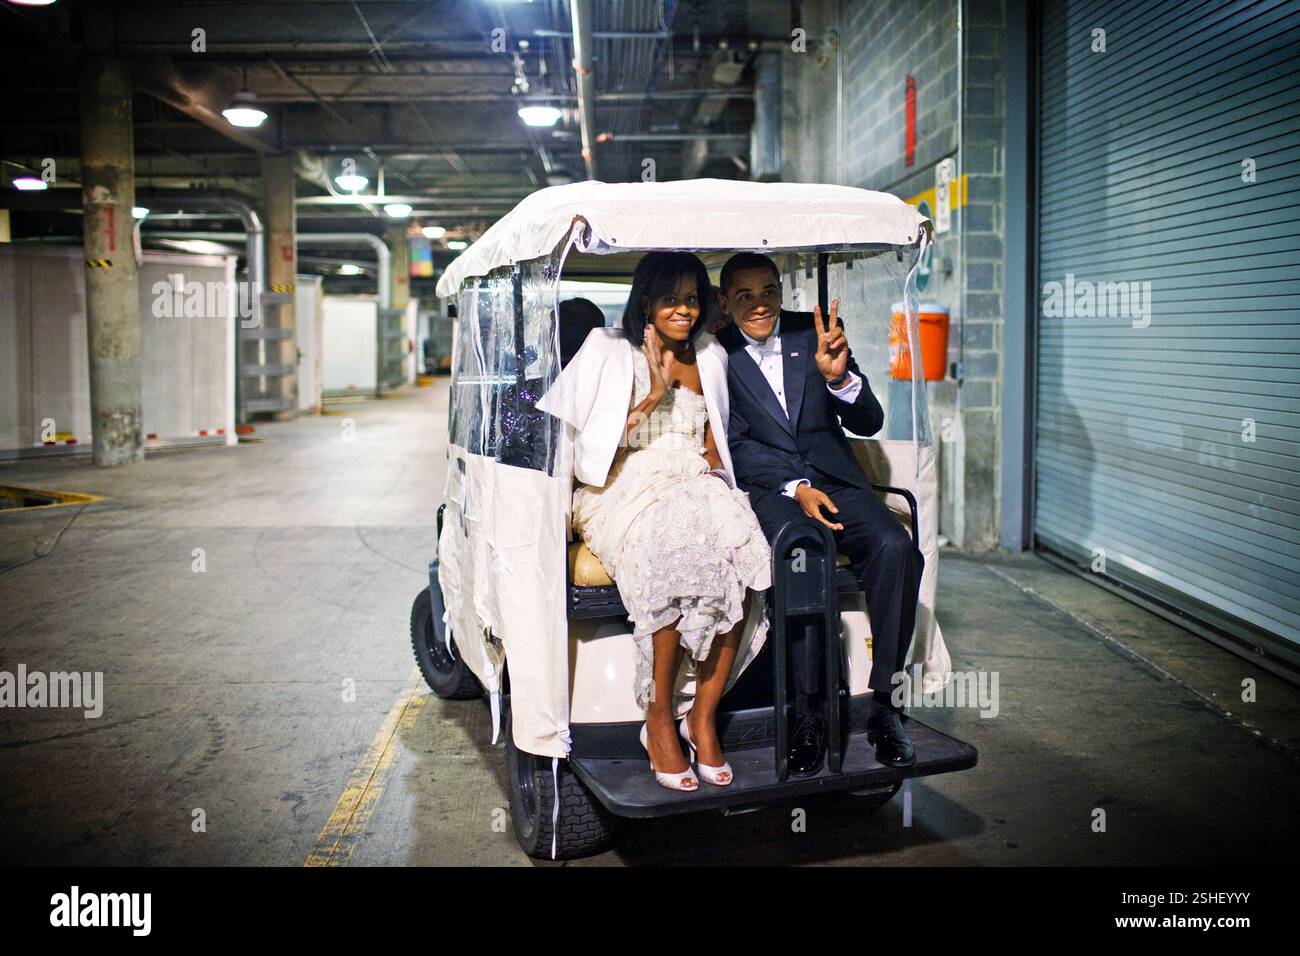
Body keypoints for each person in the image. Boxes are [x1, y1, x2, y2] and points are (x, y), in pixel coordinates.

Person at [539, 252, 772, 792]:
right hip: (619, 485)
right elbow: (577, 453)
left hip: (692, 477)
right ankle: (659, 719)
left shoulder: (710, 353)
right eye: (671, 299)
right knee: (673, 550)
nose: (684, 310)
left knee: (746, 550)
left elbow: (715, 436)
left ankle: (703, 716)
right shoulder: (606, 347)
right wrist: (652, 399)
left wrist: (715, 472)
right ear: (646, 301)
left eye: (692, 299)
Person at [715, 252, 923, 773]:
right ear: (725, 302)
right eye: (744, 296)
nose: (758, 304)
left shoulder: (815, 333)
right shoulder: (714, 352)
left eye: (767, 291)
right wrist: (796, 486)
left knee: (896, 546)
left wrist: (838, 379)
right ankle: (809, 712)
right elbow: (733, 444)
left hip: (839, 480)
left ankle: (885, 705)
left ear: (780, 290)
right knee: (802, 554)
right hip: (774, 490)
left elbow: (870, 420)